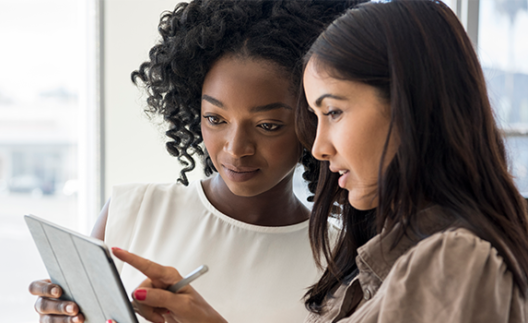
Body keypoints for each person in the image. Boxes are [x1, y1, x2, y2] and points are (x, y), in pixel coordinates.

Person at [111, 0, 528, 322]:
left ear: (411, 107)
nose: (319, 147)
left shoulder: (453, 259)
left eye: (332, 112)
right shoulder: (393, 252)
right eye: (215, 118)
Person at [27, 1, 363, 322]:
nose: (235, 149)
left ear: (312, 121)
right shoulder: (134, 211)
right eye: (216, 119)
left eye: (267, 126)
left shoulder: (339, 261)